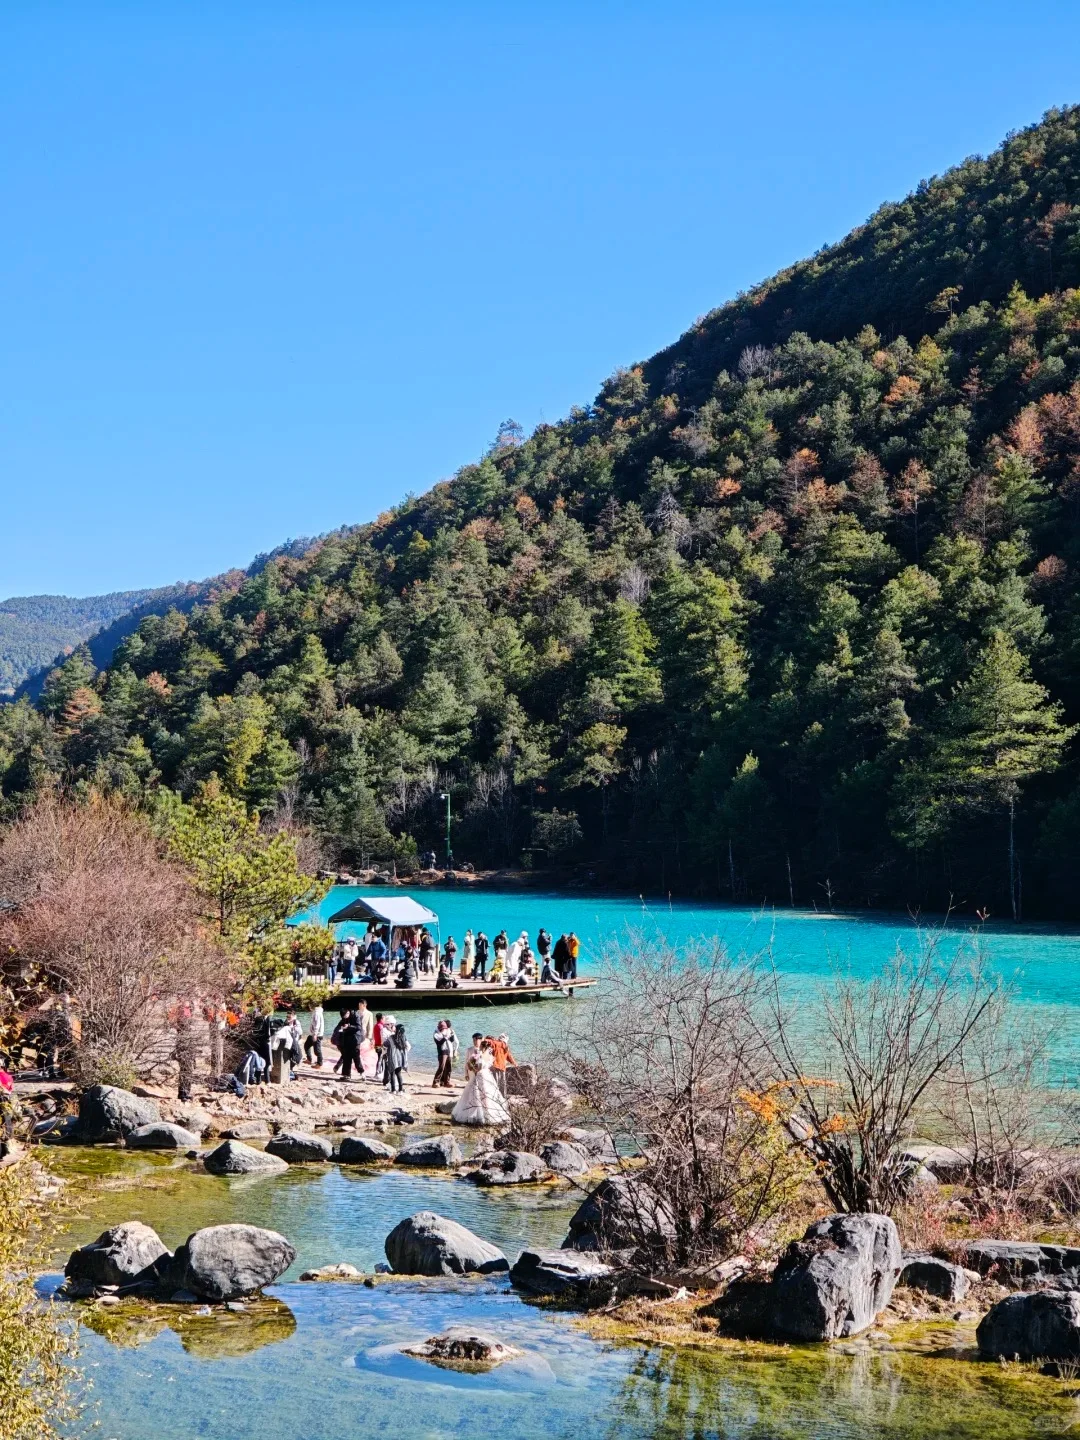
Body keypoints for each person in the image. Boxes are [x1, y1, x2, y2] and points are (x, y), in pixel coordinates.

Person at [451, 1039, 510, 1126]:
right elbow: (490, 1066)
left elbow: (471, 1066)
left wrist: (473, 1069)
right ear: (488, 1047)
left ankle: (474, 1114)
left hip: (479, 1076)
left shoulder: (478, 1055)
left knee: (475, 1095)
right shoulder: (490, 1056)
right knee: (487, 1095)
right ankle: (488, 1114)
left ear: (482, 1046)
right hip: (487, 1076)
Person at [333, 1009, 360, 1080]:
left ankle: (361, 1073)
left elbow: (358, 1027)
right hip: (345, 1041)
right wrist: (342, 1029)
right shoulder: (343, 1020)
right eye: (344, 1015)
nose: (346, 1016)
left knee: (355, 1057)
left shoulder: (355, 1016)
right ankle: (346, 1075)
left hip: (354, 1040)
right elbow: (337, 1029)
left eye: (347, 1014)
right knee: (346, 1057)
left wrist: (349, 1026)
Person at [384, 1023, 410, 1093]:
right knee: (398, 1074)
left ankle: (393, 1090)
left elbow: (385, 1044)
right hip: (400, 1059)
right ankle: (400, 1090)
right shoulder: (403, 1038)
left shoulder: (391, 1038)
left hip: (392, 1058)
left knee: (392, 1074)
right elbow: (408, 1047)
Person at [432, 1019, 457, 1087]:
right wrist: (445, 1037)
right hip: (442, 1052)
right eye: (443, 1028)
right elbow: (439, 1043)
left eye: (445, 1028)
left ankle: (446, 1082)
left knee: (449, 1067)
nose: (444, 1030)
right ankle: (435, 1082)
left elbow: (452, 1040)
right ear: (440, 1028)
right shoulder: (436, 1033)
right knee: (441, 1067)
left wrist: (452, 1035)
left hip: (448, 1050)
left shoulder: (448, 1031)